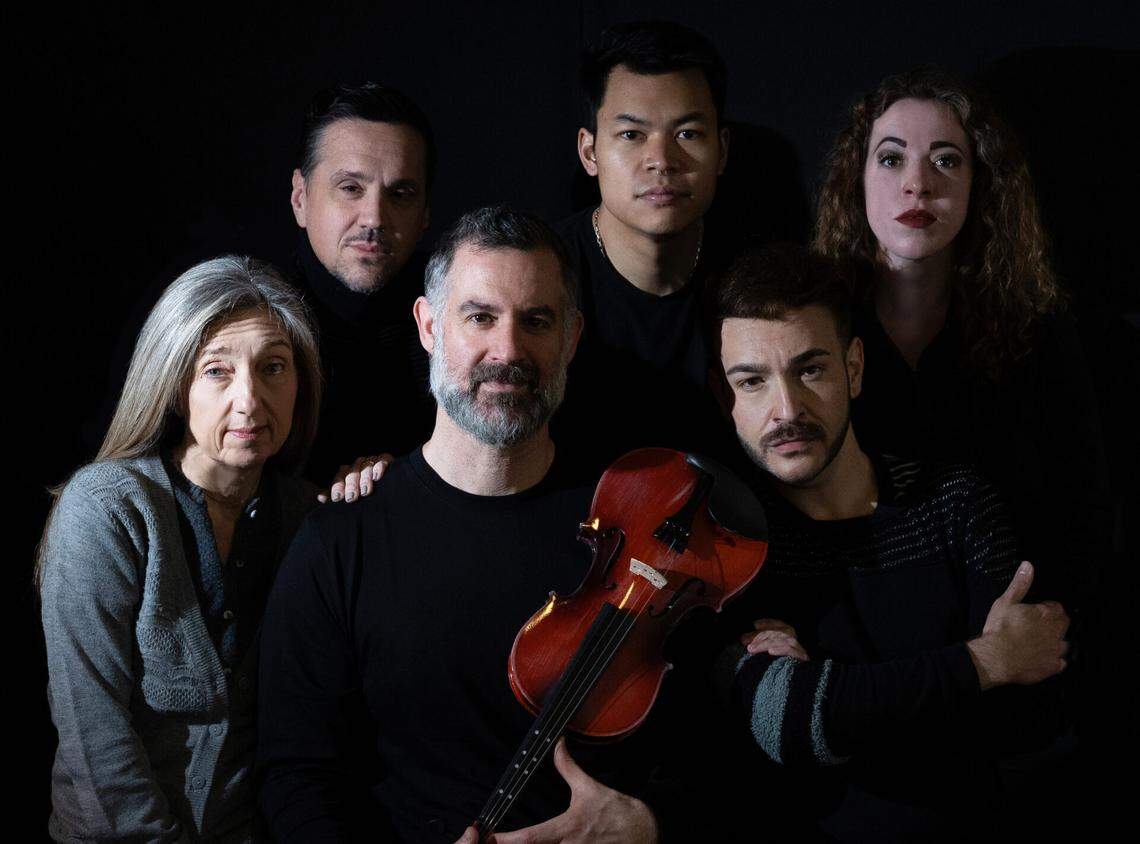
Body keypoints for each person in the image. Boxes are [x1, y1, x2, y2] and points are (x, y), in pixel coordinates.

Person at [258, 207, 665, 843]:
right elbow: (295, 777)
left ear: (573, 337)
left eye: (536, 321)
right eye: (480, 317)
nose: (508, 351)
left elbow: (699, 739)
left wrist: (648, 824)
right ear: (427, 326)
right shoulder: (339, 541)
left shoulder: (629, 535)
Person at [698, 244, 1069, 841]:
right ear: (726, 398)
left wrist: (839, 702)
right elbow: (785, 724)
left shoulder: (955, 503)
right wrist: (986, 663)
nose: (786, 409)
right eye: (753, 382)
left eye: (811, 370)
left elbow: (1029, 718)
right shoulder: (723, 547)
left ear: (855, 368)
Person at [39, 257, 323, 841]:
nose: (250, 400)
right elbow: (95, 738)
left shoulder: (305, 517)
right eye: (217, 371)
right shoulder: (108, 509)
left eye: (274, 368)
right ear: (174, 386)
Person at [813, 66, 1111, 616]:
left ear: (981, 183)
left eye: (947, 160)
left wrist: (1045, 618)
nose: (918, 183)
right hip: (854, 620)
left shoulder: (1036, 329)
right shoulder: (815, 318)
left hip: (1008, 619)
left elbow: (1083, 509)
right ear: (856, 177)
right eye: (891, 157)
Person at [554, 21, 735, 473]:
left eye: (688, 134)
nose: (662, 161)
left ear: (723, 151)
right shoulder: (540, 275)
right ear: (590, 152)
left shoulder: (753, 279)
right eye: (632, 135)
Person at [290, 82, 438, 486]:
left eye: (401, 194)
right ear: (300, 198)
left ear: (424, 213)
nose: (374, 217)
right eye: (351, 188)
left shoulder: (458, 316)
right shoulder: (250, 317)